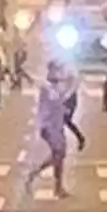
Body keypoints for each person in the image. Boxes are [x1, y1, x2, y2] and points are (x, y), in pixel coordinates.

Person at [26, 61, 70, 198]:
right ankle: (35, 174)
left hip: (57, 126)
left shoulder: (57, 88)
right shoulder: (47, 88)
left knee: (60, 155)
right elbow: (35, 81)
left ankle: (57, 186)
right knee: (58, 153)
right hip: (48, 127)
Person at [61, 60, 86, 150]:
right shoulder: (67, 73)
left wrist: (66, 96)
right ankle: (79, 138)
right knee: (64, 121)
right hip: (67, 100)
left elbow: (73, 87)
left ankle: (80, 138)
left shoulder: (72, 74)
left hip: (70, 100)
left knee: (64, 120)